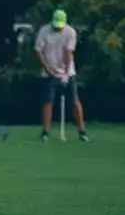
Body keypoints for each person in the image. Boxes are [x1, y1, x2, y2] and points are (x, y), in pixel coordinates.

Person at [36, 9, 89, 141]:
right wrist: (47, 68)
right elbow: (39, 50)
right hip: (48, 72)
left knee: (75, 101)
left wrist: (65, 72)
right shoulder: (44, 31)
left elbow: (68, 52)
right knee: (48, 101)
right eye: (55, 25)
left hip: (68, 72)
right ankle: (45, 132)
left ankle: (82, 132)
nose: (57, 28)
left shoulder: (70, 32)